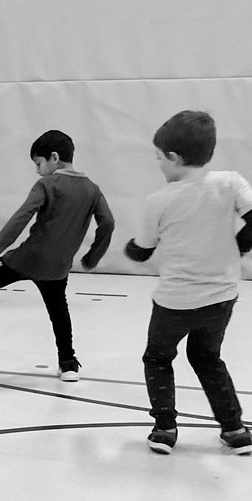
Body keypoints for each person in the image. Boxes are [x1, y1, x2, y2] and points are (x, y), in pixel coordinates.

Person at [126, 110, 252, 455]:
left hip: (174, 302)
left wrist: (129, 248)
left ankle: (165, 428)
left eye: (158, 158)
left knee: (158, 358)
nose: (158, 165)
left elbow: (142, 251)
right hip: (221, 297)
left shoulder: (159, 201)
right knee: (208, 357)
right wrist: (236, 248)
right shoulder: (230, 184)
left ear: (174, 158)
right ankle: (235, 429)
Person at [0, 130, 114, 383]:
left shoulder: (47, 184)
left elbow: (23, 215)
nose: (37, 170)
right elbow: (108, 222)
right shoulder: (92, 189)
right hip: (59, 266)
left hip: (29, 258)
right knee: (58, 309)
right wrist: (92, 257)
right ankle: (68, 364)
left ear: (54, 158)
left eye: (38, 163)